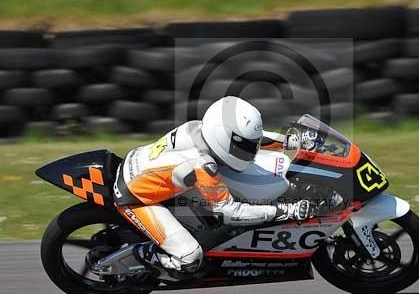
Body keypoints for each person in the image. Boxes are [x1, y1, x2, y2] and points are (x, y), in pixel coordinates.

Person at [113, 96, 317, 278]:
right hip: (136, 198)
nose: (250, 152)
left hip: (140, 166)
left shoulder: (199, 128)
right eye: (243, 148)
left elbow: (249, 139)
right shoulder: (203, 165)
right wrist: (284, 210)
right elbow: (229, 211)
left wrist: (290, 141)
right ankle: (144, 253)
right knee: (190, 257)